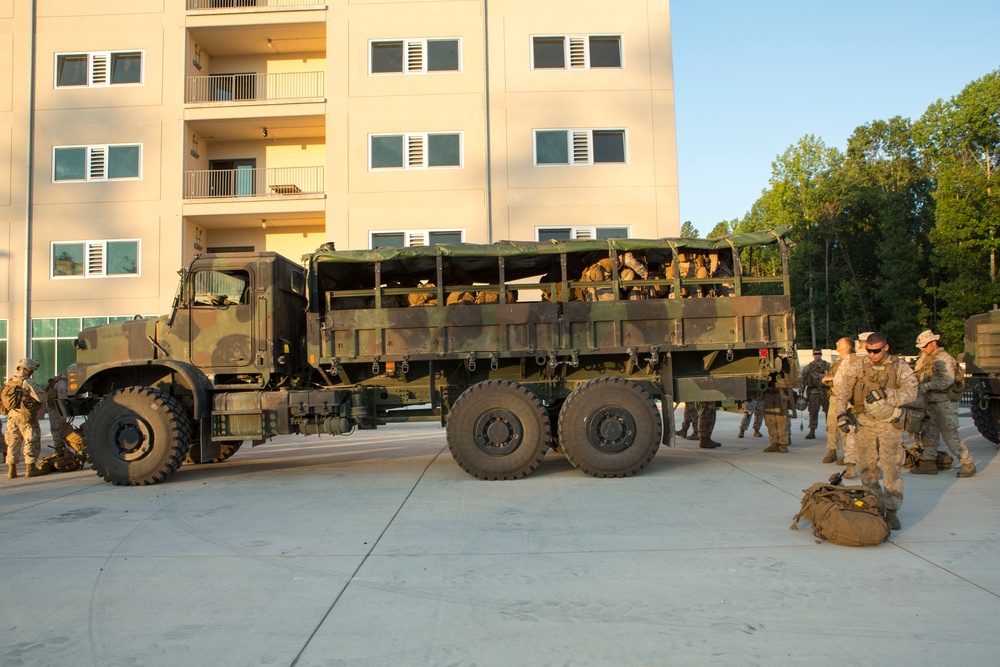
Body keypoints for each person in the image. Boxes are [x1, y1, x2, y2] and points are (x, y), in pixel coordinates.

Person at [833, 332, 918, 531]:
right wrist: (841, 415)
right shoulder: (859, 366)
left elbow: (912, 391)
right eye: (869, 351)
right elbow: (843, 392)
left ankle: (892, 510)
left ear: (886, 347)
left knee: (891, 467)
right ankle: (875, 506)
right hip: (865, 423)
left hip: (889, 424)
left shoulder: (899, 366)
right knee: (868, 468)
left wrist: (887, 393)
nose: (872, 355)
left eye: (876, 351)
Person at [910, 330, 976, 478]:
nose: (923, 348)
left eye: (925, 345)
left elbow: (946, 381)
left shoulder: (944, 358)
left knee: (950, 434)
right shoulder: (924, 358)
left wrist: (925, 387)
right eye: (921, 346)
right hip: (928, 402)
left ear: (934, 342)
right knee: (928, 433)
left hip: (944, 402)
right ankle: (929, 463)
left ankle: (967, 463)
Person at [3, 358, 49, 479]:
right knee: (31, 440)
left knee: (13, 442)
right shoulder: (28, 382)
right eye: (32, 369)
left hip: (12, 416)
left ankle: (11, 470)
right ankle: (30, 468)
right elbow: (42, 398)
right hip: (26, 416)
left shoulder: (10, 382)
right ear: (27, 369)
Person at [822, 337, 861, 477]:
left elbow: (847, 379)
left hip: (845, 398)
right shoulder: (837, 361)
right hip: (834, 397)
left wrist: (831, 379)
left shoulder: (851, 360)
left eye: (839, 342)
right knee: (831, 425)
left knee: (845, 427)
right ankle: (832, 451)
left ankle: (847, 455)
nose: (836, 343)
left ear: (847, 347)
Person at [800, 349, 830, 440]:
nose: (817, 355)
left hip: (826, 391)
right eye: (815, 354)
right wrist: (801, 391)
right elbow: (803, 380)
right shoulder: (808, 367)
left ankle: (830, 431)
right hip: (814, 392)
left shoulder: (828, 366)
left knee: (829, 413)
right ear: (813, 355)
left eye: (819, 354)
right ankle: (812, 430)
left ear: (821, 354)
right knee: (813, 412)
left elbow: (833, 377)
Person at [45, 372, 70, 453]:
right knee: (57, 428)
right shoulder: (62, 384)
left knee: (60, 428)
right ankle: (59, 448)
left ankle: (60, 447)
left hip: (57, 407)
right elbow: (62, 401)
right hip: (55, 409)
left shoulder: (63, 380)